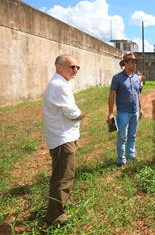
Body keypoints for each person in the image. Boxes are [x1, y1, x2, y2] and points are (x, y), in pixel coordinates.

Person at [43, 54, 86, 225]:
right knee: (63, 177)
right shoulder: (60, 86)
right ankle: (56, 216)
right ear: (59, 67)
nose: (75, 69)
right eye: (72, 66)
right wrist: (81, 114)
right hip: (63, 138)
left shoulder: (59, 83)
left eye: (77, 67)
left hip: (61, 136)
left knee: (62, 174)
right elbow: (72, 112)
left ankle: (62, 204)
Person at [107, 52, 143, 166]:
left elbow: (138, 94)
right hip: (123, 113)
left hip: (135, 112)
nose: (134, 65)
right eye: (132, 62)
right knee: (122, 136)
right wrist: (110, 113)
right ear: (125, 64)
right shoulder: (117, 78)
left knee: (132, 135)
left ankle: (131, 155)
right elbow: (112, 95)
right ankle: (121, 160)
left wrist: (140, 108)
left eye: (135, 62)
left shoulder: (137, 78)